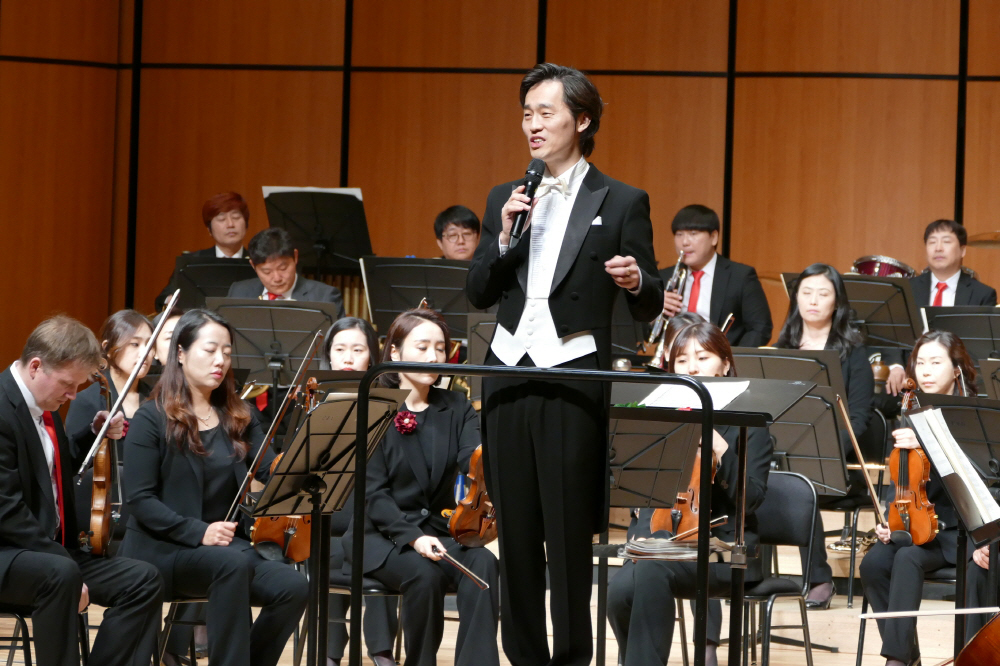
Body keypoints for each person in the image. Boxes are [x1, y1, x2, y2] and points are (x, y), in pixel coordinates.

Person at [467, 63, 662, 666]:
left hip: (574, 375)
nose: (533, 124)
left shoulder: (622, 200)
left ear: (581, 120)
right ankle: (524, 656)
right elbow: (477, 292)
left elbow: (651, 300)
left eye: (545, 112)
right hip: (508, 372)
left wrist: (635, 280)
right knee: (517, 532)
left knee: (568, 531)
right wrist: (503, 239)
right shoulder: (505, 197)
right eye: (526, 113)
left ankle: (574, 657)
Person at [120, 309, 309, 666]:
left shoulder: (238, 415)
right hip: (162, 549)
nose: (220, 360)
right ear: (180, 353)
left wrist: (308, 454)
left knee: (293, 586)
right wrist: (200, 532)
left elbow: (271, 470)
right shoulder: (151, 418)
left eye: (226, 351)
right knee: (230, 565)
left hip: (223, 552)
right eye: (210, 350)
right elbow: (141, 500)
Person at [0, 315, 163, 666]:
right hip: (9, 553)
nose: (73, 394)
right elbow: (6, 510)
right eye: (68, 384)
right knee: (61, 574)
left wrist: (93, 434)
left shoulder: (43, 403)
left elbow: (51, 469)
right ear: (36, 366)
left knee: (144, 579)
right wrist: (61, 561)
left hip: (49, 553)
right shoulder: (1, 408)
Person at [341, 308, 500, 666]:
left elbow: (471, 458)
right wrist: (413, 538)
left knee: (484, 562)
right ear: (394, 352)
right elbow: (373, 494)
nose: (433, 357)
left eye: (440, 348)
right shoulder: (372, 408)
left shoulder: (457, 406)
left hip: (440, 532)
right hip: (382, 538)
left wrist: (492, 455)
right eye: (423, 347)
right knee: (424, 576)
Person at [607, 321, 772, 666]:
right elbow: (640, 494)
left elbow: (751, 500)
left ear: (725, 365)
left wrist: (721, 450)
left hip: (724, 551)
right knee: (619, 592)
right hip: (660, 545)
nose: (692, 368)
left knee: (652, 569)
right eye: (682, 360)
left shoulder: (750, 426)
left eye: (703, 357)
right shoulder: (660, 421)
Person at [859, 330, 975, 666]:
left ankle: (896, 661)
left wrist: (927, 444)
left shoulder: (971, 415)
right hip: (916, 524)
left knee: (908, 557)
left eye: (935, 362)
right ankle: (909, 656)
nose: (925, 371)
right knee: (873, 564)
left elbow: (969, 478)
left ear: (956, 369)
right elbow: (902, 480)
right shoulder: (911, 411)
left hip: (956, 531)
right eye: (920, 363)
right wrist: (890, 520)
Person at [774, 263, 875, 609]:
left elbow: (858, 419)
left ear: (837, 302)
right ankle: (748, 574)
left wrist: (826, 447)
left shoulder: (854, 353)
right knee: (750, 473)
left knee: (804, 479)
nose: (813, 301)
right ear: (796, 298)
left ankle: (818, 578)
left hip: (835, 460)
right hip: (781, 454)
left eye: (823, 293)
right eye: (806, 292)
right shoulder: (781, 349)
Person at [323, 317, 399, 666]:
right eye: (340, 349)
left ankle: (381, 651)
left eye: (358, 349)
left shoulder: (388, 406)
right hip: (328, 521)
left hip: (373, 523)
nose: (348, 358)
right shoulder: (313, 402)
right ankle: (330, 652)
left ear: (372, 356)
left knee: (370, 549)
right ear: (329, 355)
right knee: (332, 550)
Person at [884, 219, 997, 394]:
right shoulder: (906, 289)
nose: (938, 248)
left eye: (946, 241)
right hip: (911, 374)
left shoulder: (982, 293)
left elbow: (981, 349)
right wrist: (896, 366)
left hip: (957, 377)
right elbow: (892, 333)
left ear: (962, 250)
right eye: (932, 242)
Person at [659, 204, 772, 347]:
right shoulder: (665, 277)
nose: (685, 242)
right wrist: (655, 311)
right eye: (679, 234)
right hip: (675, 356)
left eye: (693, 234)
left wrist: (733, 356)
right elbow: (649, 334)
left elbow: (760, 328)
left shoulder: (740, 276)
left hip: (722, 357)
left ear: (713, 237)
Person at [65, 309, 153, 461]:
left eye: (150, 344)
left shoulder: (158, 399)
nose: (146, 352)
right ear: (107, 348)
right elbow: (72, 460)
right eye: (135, 344)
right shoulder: (86, 401)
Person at [155, 192, 252, 310]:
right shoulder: (192, 262)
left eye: (236, 217)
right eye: (221, 219)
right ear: (209, 230)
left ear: (246, 224)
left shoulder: (257, 262)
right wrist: (170, 300)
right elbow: (162, 299)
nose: (230, 224)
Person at [228, 227, 347, 318]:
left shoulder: (325, 297)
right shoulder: (238, 293)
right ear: (253, 265)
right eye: (267, 271)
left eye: (283, 268)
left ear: (295, 257)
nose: (277, 278)